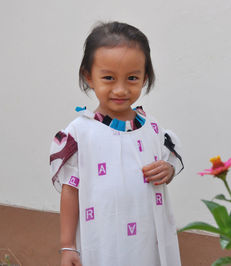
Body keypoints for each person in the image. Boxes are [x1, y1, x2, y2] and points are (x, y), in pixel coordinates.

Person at [50, 21, 184, 266]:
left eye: (132, 78)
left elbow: (169, 158)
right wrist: (67, 245)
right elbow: (70, 190)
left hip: (148, 238)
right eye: (109, 78)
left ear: (145, 78)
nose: (121, 89)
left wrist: (169, 169)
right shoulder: (79, 134)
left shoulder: (152, 128)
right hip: (103, 239)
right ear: (89, 76)